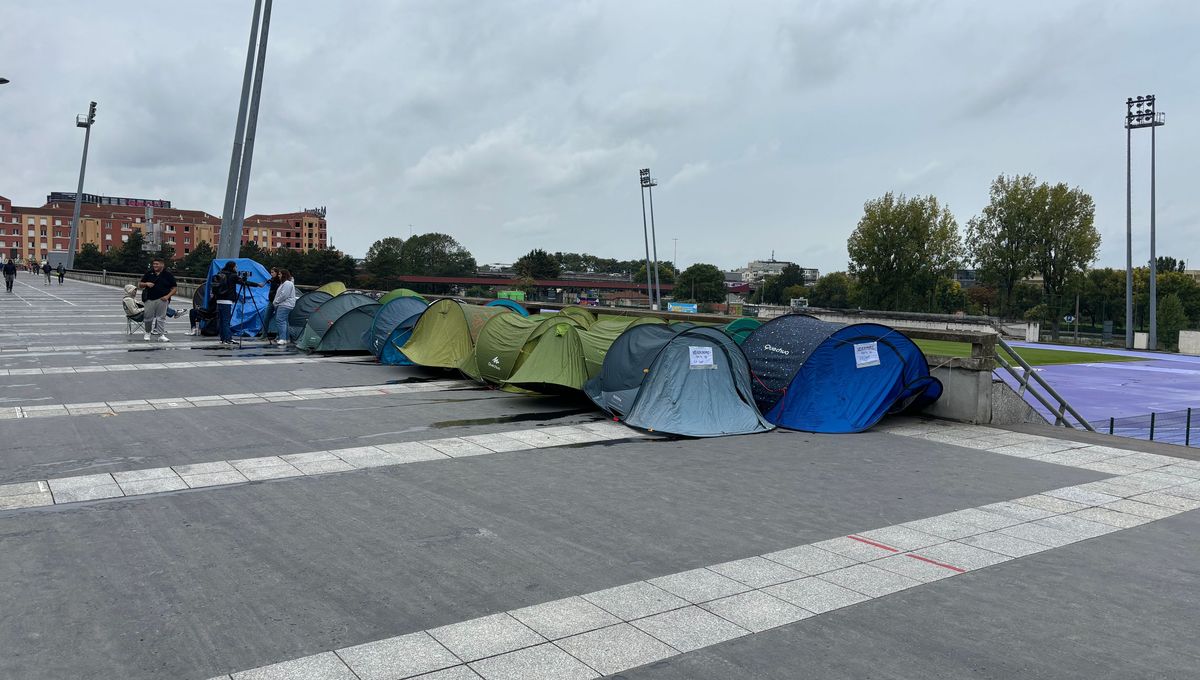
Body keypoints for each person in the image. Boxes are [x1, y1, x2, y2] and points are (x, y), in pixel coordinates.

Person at [210, 261, 262, 346]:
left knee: (222, 320)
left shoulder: (220, 273)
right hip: (227, 301)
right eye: (236, 267)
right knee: (226, 321)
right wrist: (257, 284)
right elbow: (244, 283)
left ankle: (223, 339)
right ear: (233, 267)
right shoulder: (233, 276)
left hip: (219, 300)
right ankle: (228, 339)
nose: (236, 268)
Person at [137, 258, 177, 342]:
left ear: (162, 265)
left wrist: (167, 296)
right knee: (148, 317)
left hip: (162, 299)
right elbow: (140, 284)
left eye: (157, 264)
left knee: (161, 318)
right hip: (149, 299)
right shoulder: (149, 273)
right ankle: (147, 332)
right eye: (154, 264)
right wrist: (146, 283)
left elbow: (174, 288)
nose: (154, 265)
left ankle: (161, 335)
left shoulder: (168, 275)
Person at [272, 269, 298, 345]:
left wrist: (276, 301)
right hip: (286, 304)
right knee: (285, 321)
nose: (279, 276)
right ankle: (286, 339)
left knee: (280, 320)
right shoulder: (286, 283)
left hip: (284, 304)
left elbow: (284, 295)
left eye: (280, 274)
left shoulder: (287, 283)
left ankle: (282, 338)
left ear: (284, 275)